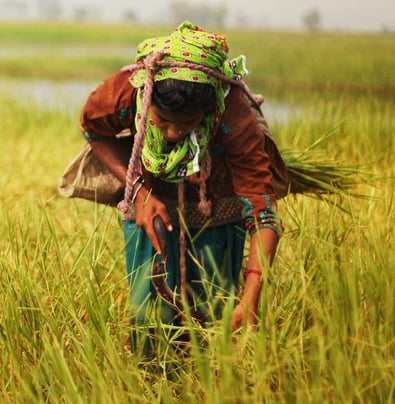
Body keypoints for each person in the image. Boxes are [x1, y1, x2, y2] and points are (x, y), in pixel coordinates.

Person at [79, 21, 289, 350]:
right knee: (148, 324)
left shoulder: (231, 111)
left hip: (216, 210)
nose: (174, 134)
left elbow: (262, 208)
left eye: (188, 123)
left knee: (214, 321)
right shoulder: (129, 91)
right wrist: (138, 191)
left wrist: (252, 295)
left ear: (209, 111)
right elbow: (93, 129)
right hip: (150, 209)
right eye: (162, 121)